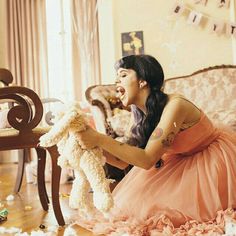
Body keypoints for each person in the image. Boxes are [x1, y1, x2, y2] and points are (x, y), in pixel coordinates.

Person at [74, 55, 236, 235]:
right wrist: (93, 146)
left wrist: (99, 138)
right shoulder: (139, 114)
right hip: (179, 158)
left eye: (123, 75)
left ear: (143, 81)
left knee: (183, 219)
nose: (116, 81)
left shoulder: (176, 105)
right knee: (140, 213)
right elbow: (124, 162)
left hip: (212, 160)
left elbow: (147, 159)